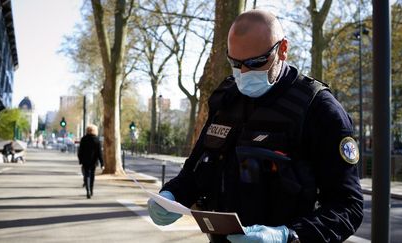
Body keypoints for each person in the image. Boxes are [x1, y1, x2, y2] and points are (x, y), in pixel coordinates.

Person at [148, 9, 363, 243]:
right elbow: (198, 168)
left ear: (282, 49)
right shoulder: (226, 99)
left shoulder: (320, 110)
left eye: (256, 62)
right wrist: (172, 195)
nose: (243, 73)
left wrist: (288, 236)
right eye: (235, 63)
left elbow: (348, 208)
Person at [78, 124, 104, 199]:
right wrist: (102, 163)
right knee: (92, 175)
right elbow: (100, 153)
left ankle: (88, 190)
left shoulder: (83, 139)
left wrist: (80, 160)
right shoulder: (97, 140)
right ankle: (91, 190)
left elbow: (80, 151)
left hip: (85, 161)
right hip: (94, 161)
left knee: (87, 175)